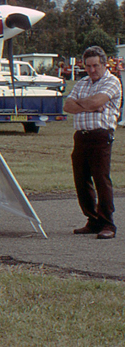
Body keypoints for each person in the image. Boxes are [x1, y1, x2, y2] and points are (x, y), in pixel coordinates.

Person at [64, 46, 122, 239]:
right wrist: (89, 105)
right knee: (81, 180)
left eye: (95, 65)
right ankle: (92, 219)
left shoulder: (112, 82)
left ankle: (107, 224)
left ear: (104, 64)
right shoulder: (82, 83)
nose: (92, 70)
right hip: (81, 135)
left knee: (101, 179)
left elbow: (95, 103)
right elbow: (67, 106)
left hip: (100, 135)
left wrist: (87, 104)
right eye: (88, 66)